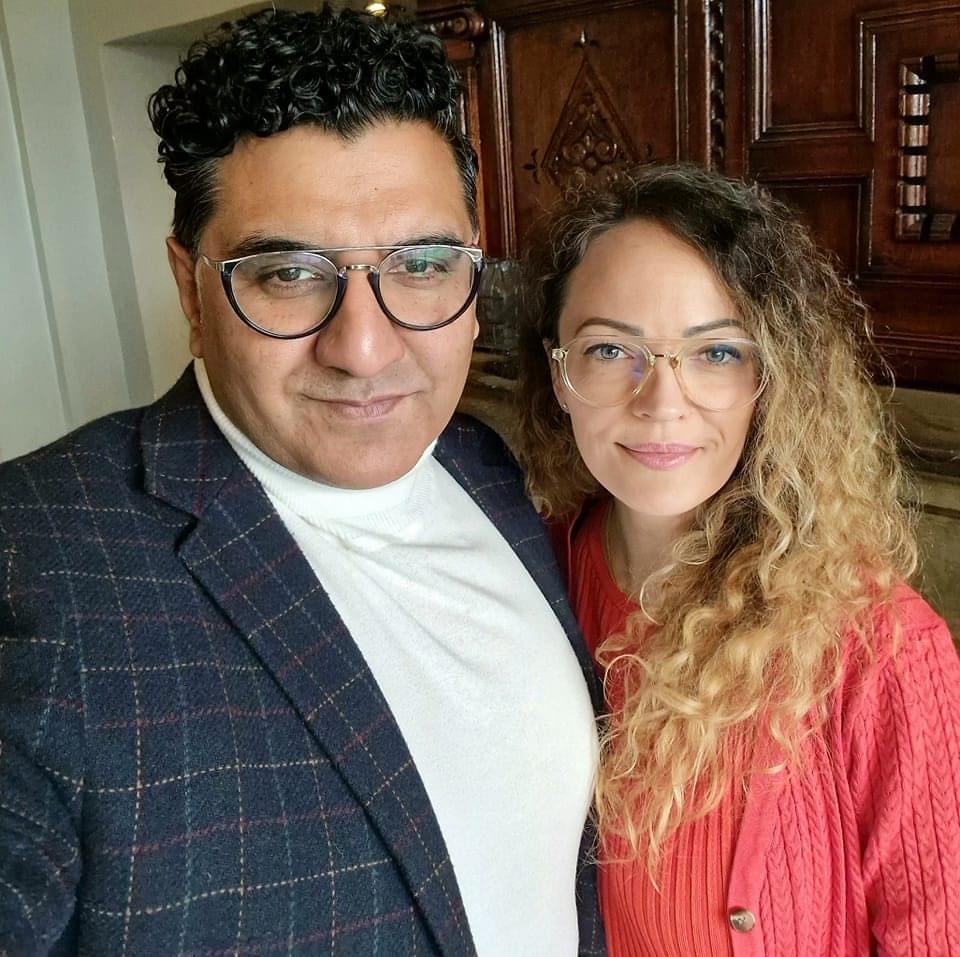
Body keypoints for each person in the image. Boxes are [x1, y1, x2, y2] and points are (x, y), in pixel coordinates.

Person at [0, 8, 605, 955]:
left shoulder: (487, 466)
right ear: (190, 287)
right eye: (287, 273)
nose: (365, 348)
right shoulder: (32, 562)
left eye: (421, 264)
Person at [513, 163, 960, 957]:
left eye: (716, 352)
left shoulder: (882, 650)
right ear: (559, 374)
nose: (661, 402)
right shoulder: (527, 573)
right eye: (610, 347)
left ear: (772, 377)